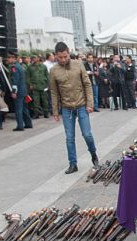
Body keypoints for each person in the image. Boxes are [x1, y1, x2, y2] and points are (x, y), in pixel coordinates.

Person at [49, 41, 99, 174]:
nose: (63, 59)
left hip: (82, 105)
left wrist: (90, 104)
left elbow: (87, 84)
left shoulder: (78, 64)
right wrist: (55, 111)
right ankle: (73, 163)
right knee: (69, 137)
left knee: (87, 134)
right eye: (60, 57)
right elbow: (54, 92)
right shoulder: (54, 71)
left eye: (65, 56)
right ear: (56, 56)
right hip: (66, 108)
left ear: (68, 52)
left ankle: (94, 155)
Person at [6, 51, 32, 131]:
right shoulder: (20, 66)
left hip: (18, 91)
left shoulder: (14, 68)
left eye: (9, 58)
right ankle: (28, 123)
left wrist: (14, 92)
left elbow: (15, 81)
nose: (8, 59)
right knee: (24, 108)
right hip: (23, 90)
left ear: (13, 58)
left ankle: (20, 125)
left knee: (18, 109)